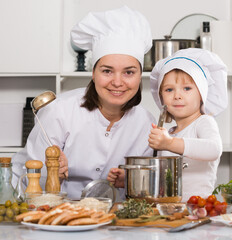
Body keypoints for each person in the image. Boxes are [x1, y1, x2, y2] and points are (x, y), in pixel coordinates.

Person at [11, 6, 155, 200]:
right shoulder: (59, 111)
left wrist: (129, 181)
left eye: (129, 72)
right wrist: (51, 173)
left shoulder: (146, 123)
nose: (118, 82)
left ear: (140, 76)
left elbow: (141, 194)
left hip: (112, 220)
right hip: (53, 212)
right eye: (107, 71)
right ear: (93, 74)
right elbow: (30, 180)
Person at [107, 48, 228, 201]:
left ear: (202, 93)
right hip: (169, 208)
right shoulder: (169, 132)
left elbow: (213, 149)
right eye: (169, 89)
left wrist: (169, 143)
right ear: (161, 98)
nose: (177, 96)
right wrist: (128, 181)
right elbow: (162, 179)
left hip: (197, 208)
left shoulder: (203, 122)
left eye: (187, 88)